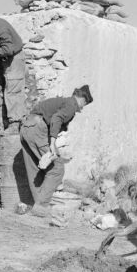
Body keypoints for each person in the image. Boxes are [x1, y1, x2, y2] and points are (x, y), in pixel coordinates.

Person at [18, 85, 93, 217]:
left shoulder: (64, 102)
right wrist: (52, 143)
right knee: (57, 169)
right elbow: (57, 118)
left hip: (26, 128)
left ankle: (35, 207)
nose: (82, 107)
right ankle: (40, 207)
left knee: (35, 169)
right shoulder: (72, 104)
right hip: (36, 128)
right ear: (81, 99)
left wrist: (54, 149)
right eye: (84, 104)